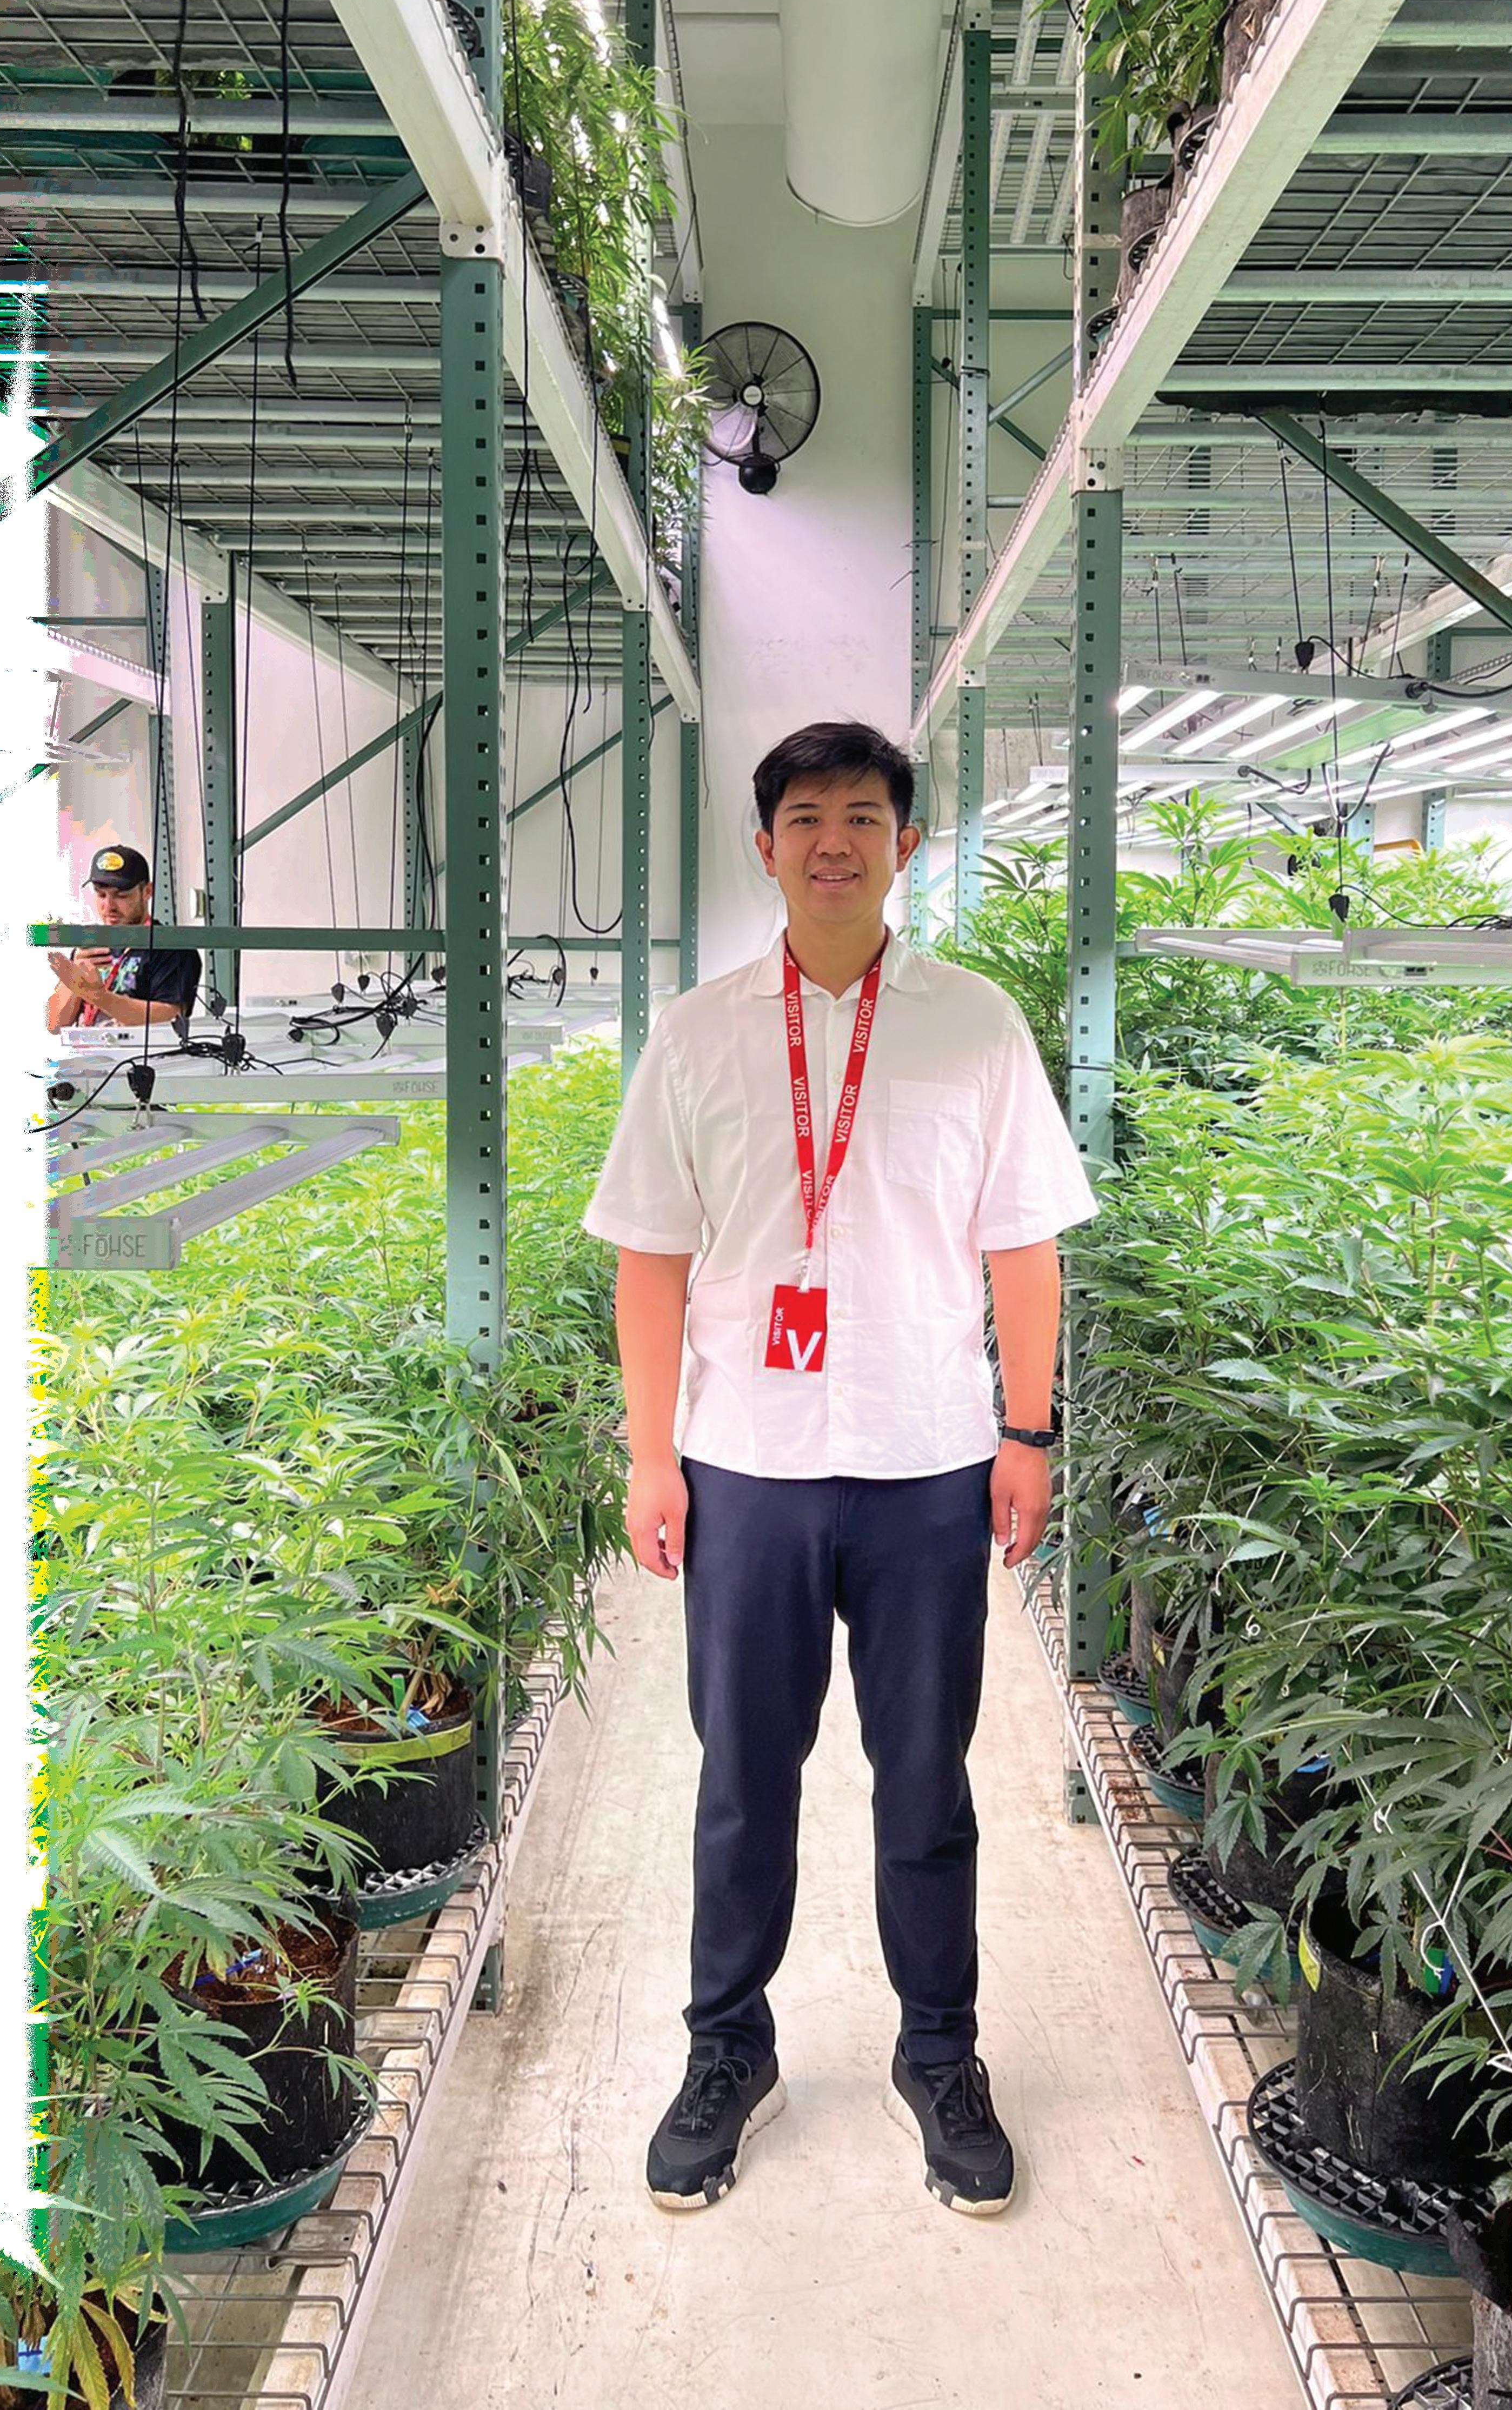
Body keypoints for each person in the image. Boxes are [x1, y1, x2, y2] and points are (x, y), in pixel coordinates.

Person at [582, 720, 1098, 2220]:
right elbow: (648, 1258)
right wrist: (650, 1457)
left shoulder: (974, 1027)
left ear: (902, 845)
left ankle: (938, 2052)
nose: (831, 841)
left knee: (924, 1778)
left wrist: (1026, 1431)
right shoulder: (695, 1036)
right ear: (765, 847)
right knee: (743, 1779)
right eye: (803, 816)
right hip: (744, 1462)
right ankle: (726, 2050)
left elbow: (1021, 1243)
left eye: (861, 816)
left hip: (925, 1458)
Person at [44, 844, 202, 1037]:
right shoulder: (91, 946)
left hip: (143, 1054)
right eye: (101, 895)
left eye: (121, 896)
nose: (109, 906)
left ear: (147, 892)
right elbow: (54, 1024)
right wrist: (74, 981)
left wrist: (99, 997)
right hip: (88, 1051)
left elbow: (169, 1017)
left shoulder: (172, 946)